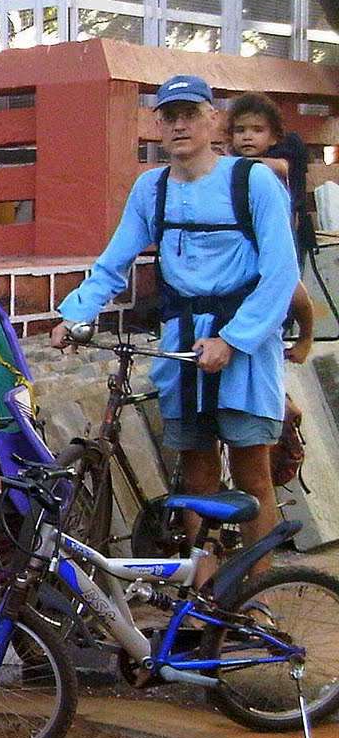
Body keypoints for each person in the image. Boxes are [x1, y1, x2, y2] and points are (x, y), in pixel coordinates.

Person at [53, 75, 298, 579]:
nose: (180, 124)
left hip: (244, 345)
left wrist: (233, 339)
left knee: (253, 473)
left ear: (213, 119)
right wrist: (75, 312)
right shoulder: (152, 187)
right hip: (181, 343)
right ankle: (204, 593)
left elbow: (281, 274)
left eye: (190, 113)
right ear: (157, 126)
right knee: (197, 473)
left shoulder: (252, 181)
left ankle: (260, 595)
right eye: (169, 116)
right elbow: (114, 261)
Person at [228, 91, 315, 367]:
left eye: (257, 130)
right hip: (245, 238)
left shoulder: (284, 154)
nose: (247, 137)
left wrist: (237, 165)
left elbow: (280, 167)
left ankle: (306, 336)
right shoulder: (232, 163)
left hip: (283, 235)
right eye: (240, 130)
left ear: (274, 136)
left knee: (289, 286)